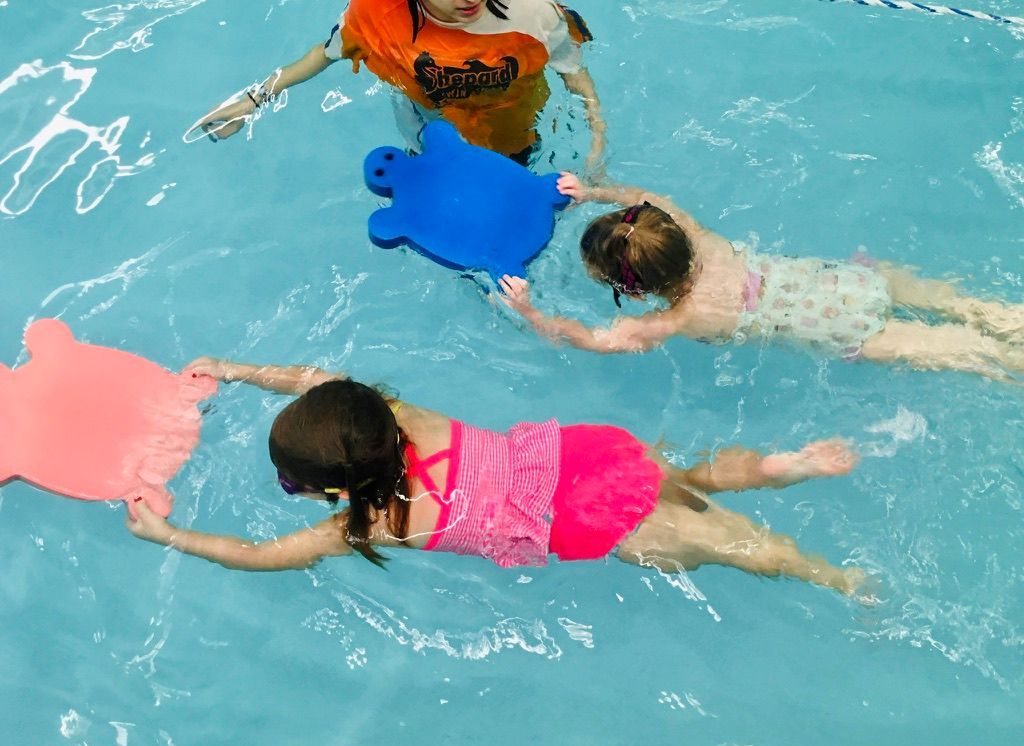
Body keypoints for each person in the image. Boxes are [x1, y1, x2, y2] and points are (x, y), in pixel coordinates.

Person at [127, 357, 867, 597]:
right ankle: (777, 466)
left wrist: (166, 533)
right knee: (684, 480)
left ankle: (839, 581)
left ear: (338, 491)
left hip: (585, 523)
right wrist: (233, 369)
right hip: (587, 456)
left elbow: (258, 556)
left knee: (735, 548)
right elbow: (312, 378)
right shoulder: (399, 413)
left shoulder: (375, 523)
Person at [500, 174, 1024, 382]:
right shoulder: (701, 237)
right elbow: (644, 196)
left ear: (633, 290)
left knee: (962, 351)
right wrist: (592, 192)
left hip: (844, 333)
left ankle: (1009, 355)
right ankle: (1005, 317)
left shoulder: (678, 318)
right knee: (957, 305)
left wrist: (528, 311)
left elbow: (593, 340)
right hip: (842, 283)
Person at [193, 0, 605, 167]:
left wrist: (596, 142)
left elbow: (574, 74)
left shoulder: (533, 13)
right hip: (427, 127)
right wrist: (255, 98)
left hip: (513, 131)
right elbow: (324, 53)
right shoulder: (376, 15)